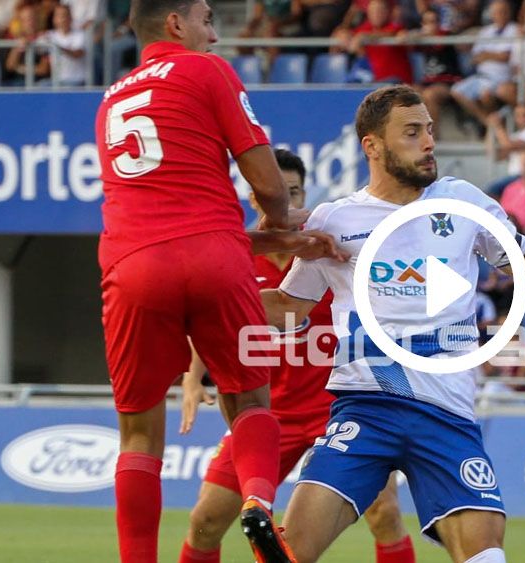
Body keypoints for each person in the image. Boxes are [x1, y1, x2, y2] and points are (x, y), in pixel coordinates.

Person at [260, 85, 525, 563]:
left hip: (446, 415)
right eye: (412, 132)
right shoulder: (335, 219)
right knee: (288, 553)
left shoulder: (464, 202)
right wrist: (202, 304)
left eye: (430, 131)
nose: (428, 143)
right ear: (372, 146)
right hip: (365, 409)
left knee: (485, 556)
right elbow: (287, 307)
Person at [94, 2, 340, 561]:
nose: (215, 29)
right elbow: (267, 185)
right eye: (206, 17)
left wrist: (276, 243)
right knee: (251, 401)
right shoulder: (206, 70)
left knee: (137, 438)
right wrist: (285, 221)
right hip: (213, 258)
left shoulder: (110, 101)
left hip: (131, 264)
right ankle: (258, 501)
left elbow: (165, 225)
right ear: (176, 23)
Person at [178, 149, 415, 563]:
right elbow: (213, 319)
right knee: (206, 521)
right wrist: (193, 377)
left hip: (336, 410)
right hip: (267, 413)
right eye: (277, 194)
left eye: (295, 193)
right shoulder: (237, 258)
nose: (287, 203)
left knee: (386, 513)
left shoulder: (328, 250)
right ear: (257, 199)